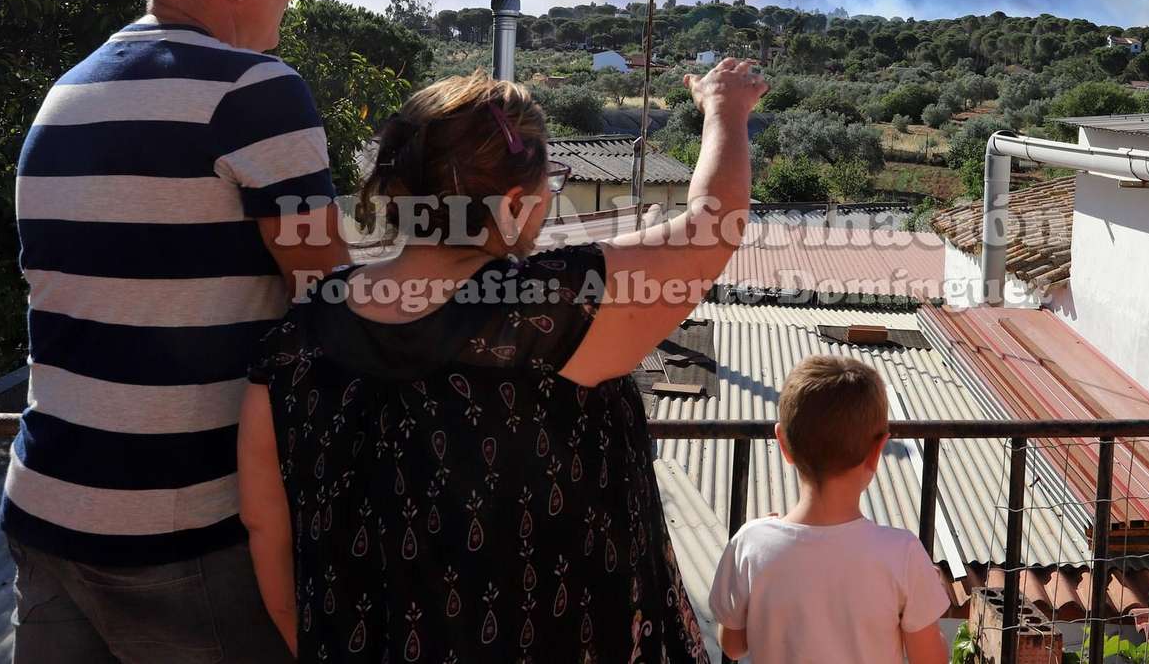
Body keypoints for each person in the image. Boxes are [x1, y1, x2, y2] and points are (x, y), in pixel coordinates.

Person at [238, 59, 765, 661]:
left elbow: (265, 527)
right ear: (514, 202)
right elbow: (710, 228)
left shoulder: (292, 339)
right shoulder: (554, 309)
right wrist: (724, 108)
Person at [1, 0, 348, 663]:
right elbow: (333, 299)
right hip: (182, 532)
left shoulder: (66, 93)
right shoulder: (256, 88)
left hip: (45, 510)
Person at [709, 355, 951, 663]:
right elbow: (930, 659)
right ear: (877, 451)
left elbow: (733, 646)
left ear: (783, 443)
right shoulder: (902, 554)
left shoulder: (750, 543)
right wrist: (926, 601)